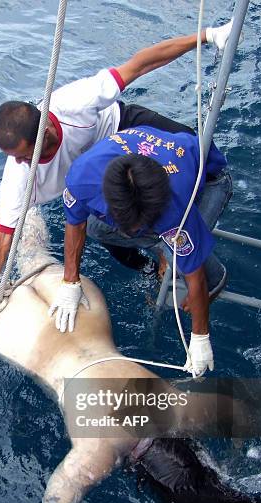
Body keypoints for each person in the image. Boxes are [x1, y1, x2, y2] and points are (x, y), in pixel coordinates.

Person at [0, 20, 234, 342]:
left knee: (190, 170)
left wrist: (206, 36)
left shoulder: (74, 103)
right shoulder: (26, 176)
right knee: (100, 228)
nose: (22, 164)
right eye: (17, 158)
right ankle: (154, 264)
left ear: (49, 131)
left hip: (126, 133)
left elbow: (141, 64)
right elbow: (2, 237)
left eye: (28, 155)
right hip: (100, 175)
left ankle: (180, 250)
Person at [48, 125, 228, 377]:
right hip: (144, 182)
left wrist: (200, 338)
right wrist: (70, 283)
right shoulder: (81, 179)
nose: (134, 231)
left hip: (210, 182)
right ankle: (160, 249)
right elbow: (75, 224)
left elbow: (195, 275)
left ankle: (216, 275)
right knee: (95, 229)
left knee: (182, 261)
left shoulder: (175, 210)